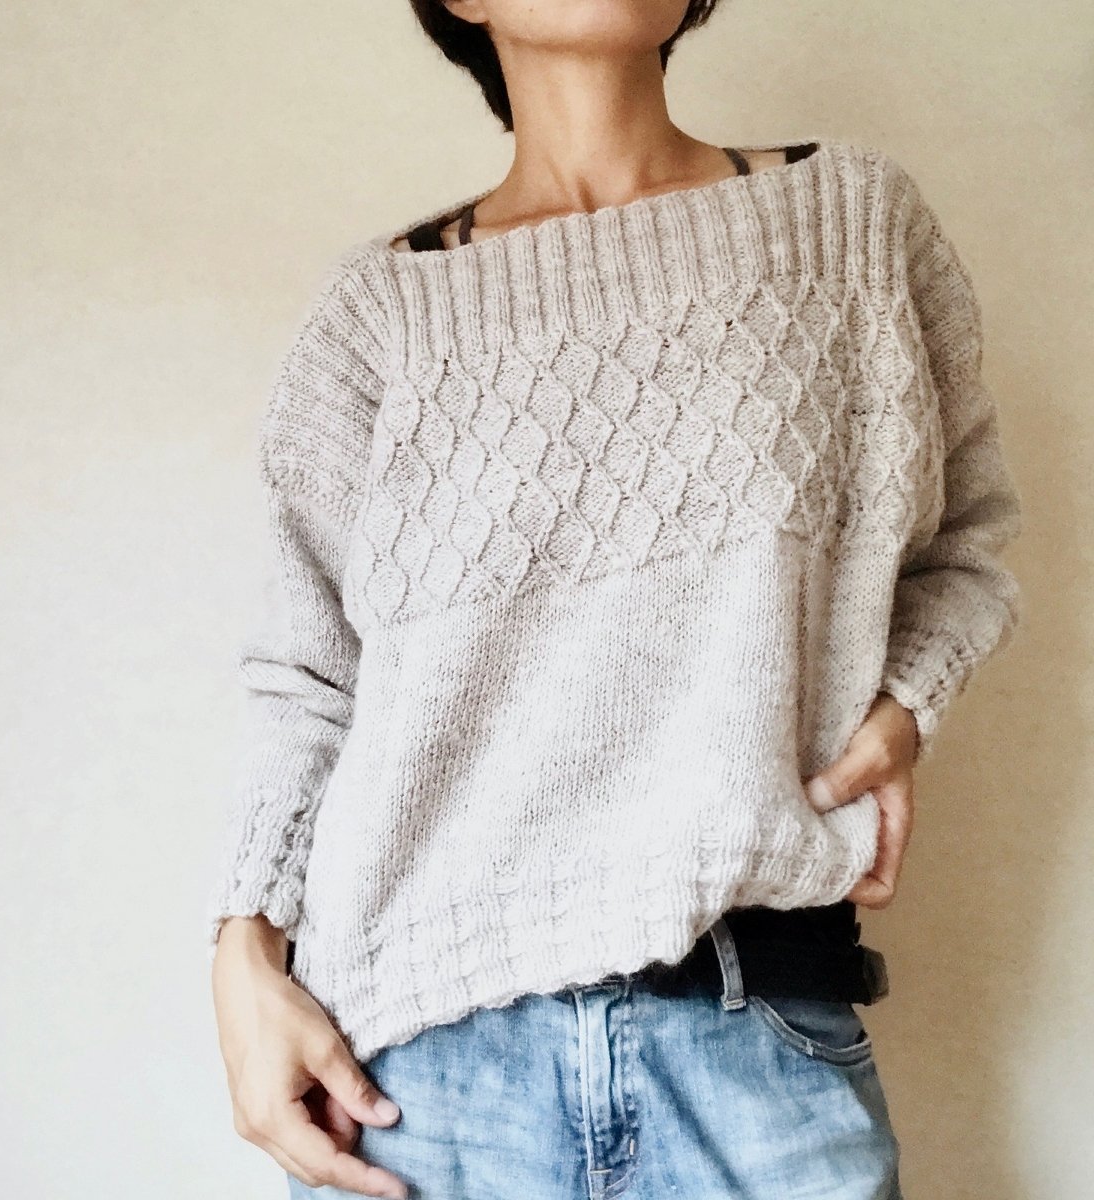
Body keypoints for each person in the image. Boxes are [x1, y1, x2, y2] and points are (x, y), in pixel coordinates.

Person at [206, 3, 1023, 1198]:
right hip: (426, 1079)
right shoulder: (379, 316)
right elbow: (307, 681)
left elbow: (966, 543)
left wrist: (904, 706)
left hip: (757, 1046)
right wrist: (241, 950)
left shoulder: (850, 224)